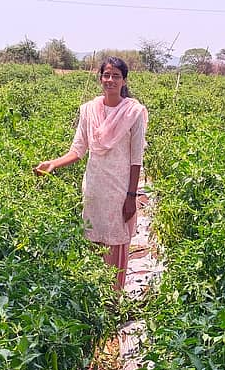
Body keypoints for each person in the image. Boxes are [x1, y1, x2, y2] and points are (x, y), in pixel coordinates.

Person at [34, 57, 148, 291]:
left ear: (124, 80)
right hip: (94, 188)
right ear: (100, 79)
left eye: (116, 76)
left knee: (115, 242)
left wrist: (131, 196)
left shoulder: (134, 113)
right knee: (93, 239)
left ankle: (113, 300)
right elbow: (78, 149)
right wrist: (53, 164)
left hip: (119, 190)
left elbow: (136, 160)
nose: (110, 80)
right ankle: (94, 298)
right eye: (106, 75)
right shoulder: (89, 110)